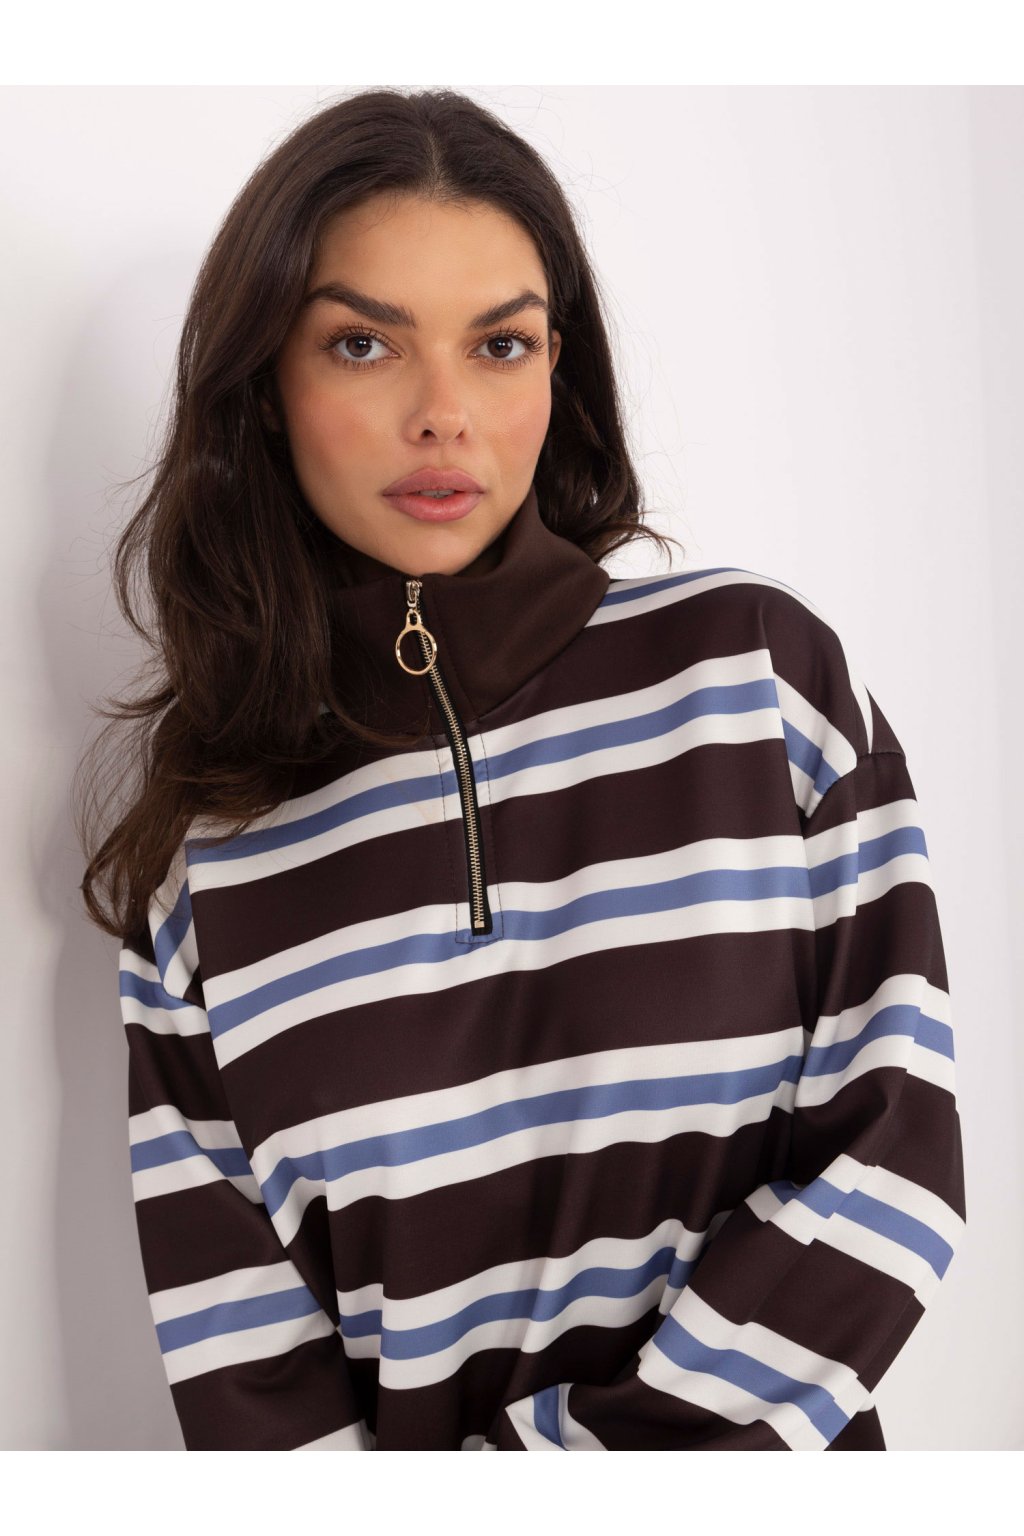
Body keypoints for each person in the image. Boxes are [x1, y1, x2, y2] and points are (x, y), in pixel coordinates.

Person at [76, 87, 966, 1451]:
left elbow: (896, 1164)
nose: (444, 414)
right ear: (264, 391)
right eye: (364, 343)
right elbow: (255, 1392)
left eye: (499, 345)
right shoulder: (211, 861)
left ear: (560, 369)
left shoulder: (759, 679)